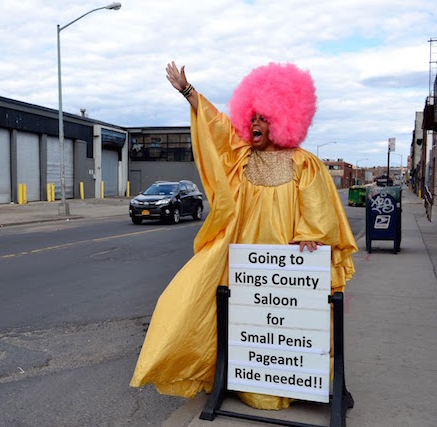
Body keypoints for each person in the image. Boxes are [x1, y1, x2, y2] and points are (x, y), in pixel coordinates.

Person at [130, 61, 358, 410]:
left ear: (283, 120)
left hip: (287, 262)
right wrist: (188, 91)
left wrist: (310, 237)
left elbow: (318, 209)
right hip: (246, 258)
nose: (255, 124)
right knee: (240, 316)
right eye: (252, 117)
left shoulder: (303, 163)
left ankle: (314, 382)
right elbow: (216, 126)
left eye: (264, 118)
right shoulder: (241, 158)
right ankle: (244, 378)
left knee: (296, 322)